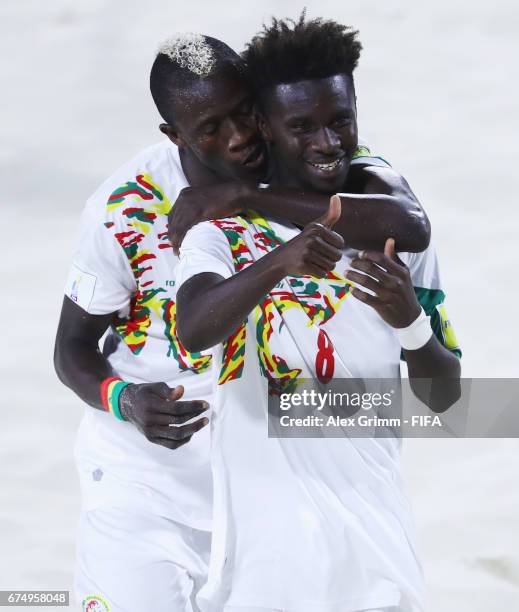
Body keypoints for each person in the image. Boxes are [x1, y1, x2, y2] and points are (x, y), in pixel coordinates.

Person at [54, 32, 431, 612]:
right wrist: (125, 398)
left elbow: (409, 224)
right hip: (147, 477)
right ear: (174, 135)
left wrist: (241, 196)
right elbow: (72, 349)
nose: (238, 138)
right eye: (210, 128)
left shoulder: (318, 163)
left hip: (268, 486)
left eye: (245, 114)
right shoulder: (124, 209)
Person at [175, 15, 461, 612]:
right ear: (263, 126)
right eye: (301, 127)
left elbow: (447, 400)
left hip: (380, 566)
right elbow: (195, 328)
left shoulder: (386, 225)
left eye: (340, 122)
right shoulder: (222, 234)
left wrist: (410, 322)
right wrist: (280, 261)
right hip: (259, 575)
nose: (327, 144)